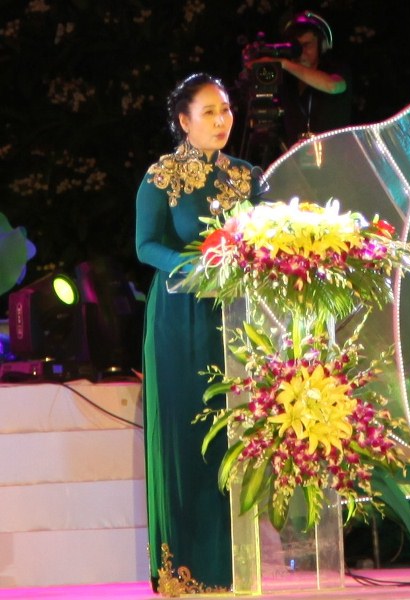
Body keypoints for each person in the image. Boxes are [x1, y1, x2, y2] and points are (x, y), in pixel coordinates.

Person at [135, 73, 261, 593]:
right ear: (183, 121)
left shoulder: (249, 176)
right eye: (208, 111)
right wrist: (194, 268)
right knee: (189, 431)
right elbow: (145, 246)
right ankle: (185, 568)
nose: (221, 120)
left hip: (235, 317)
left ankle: (236, 566)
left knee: (235, 434)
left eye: (225, 109)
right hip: (181, 316)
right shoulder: (162, 177)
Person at [246, 10, 352, 149]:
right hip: (295, 156)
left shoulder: (334, 68)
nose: (301, 52)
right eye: (296, 47)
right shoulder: (287, 78)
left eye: (307, 45)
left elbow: (333, 86)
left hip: (333, 155)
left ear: (322, 45)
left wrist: (284, 63)